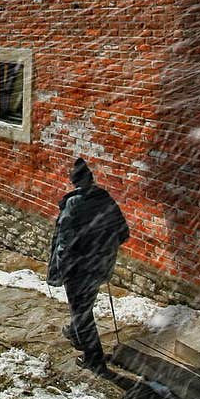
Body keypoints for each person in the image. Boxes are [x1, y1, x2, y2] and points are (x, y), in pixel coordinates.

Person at [47, 157, 130, 373]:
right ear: (91, 179)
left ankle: (95, 360)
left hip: (79, 269)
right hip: (99, 266)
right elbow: (123, 233)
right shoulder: (105, 200)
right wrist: (102, 249)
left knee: (81, 312)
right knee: (85, 306)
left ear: (74, 182)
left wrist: (62, 268)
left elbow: (64, 244)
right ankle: (76, 333)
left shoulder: (73, 205)